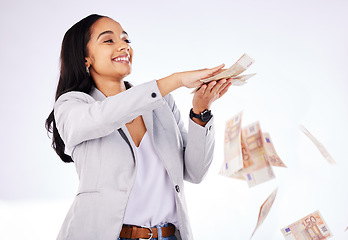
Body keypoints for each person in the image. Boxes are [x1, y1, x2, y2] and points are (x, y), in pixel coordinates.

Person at [45, 14, 232, 240]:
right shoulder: (72, 105)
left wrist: (200, 112)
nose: (124, 46)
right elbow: (103, 117)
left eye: (126, 40)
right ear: (86, 58)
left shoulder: (160, 104)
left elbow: (195, 172)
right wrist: (175, 80)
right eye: (108, 40)